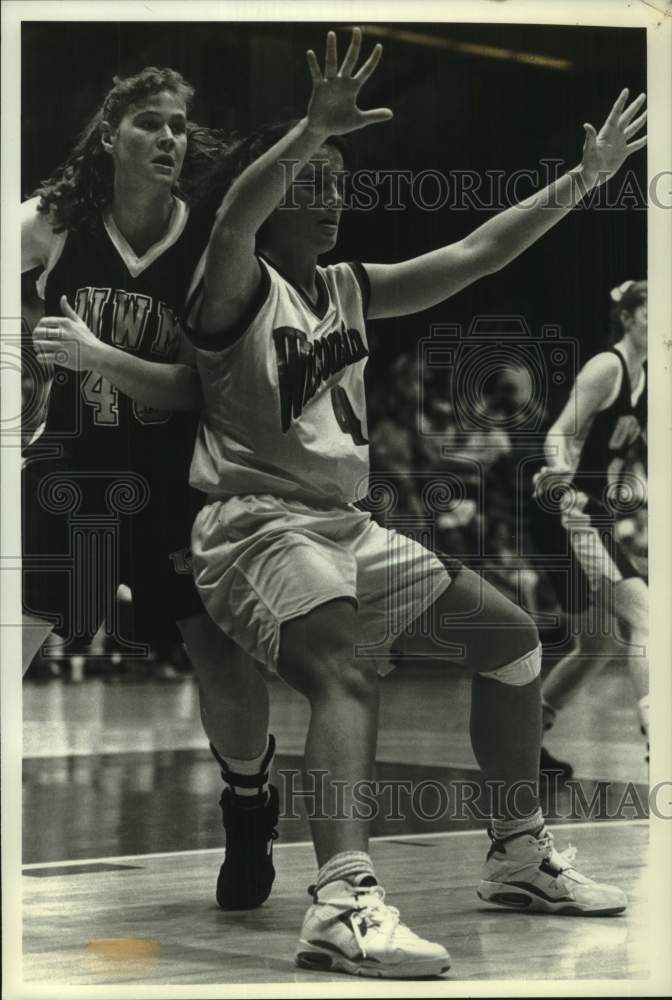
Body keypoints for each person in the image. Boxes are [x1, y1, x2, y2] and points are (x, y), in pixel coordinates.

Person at [186, 28, 646, 977]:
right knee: (347, 668)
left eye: (341, 181)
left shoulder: (350, 288)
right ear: (277, 192)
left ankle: (518, 850)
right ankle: (343, 899)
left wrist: (585, 180)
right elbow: (233, 217)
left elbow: (478, 252)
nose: (333, 197)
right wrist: (308, 131)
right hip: (254, 527)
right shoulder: (234, 279)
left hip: (345, 527)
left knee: (512, 639)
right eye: (314, 181)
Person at [21, 66, 279, 911]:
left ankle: (248, 805)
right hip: (67, 473)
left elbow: (194, 389)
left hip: (174, 481)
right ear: (110, 135)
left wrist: (95, 356)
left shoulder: (207, 249)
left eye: (178, 126)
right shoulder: (52, 225)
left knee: (219, 657)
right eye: (149, 123)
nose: (168, 138)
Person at [530, 280, 648, 778]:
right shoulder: (608, 367)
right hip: (569, 509)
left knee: (598, 644)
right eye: (652, 312)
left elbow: (625, 459)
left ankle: (522, 743)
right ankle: (658, 741)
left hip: (592, 512)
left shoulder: (650, 378)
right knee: (648, 615)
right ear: (628, 318)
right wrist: (556, 469)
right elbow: (560, 429)